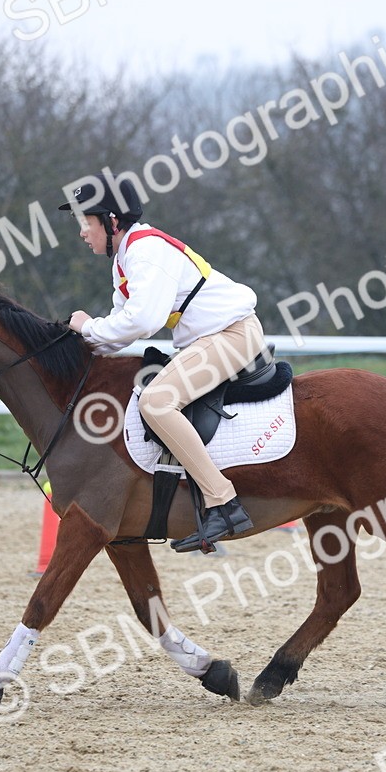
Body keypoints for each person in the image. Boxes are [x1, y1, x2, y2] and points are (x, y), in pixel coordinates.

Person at [60, 175, 268, 552]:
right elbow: (123, 328)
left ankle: (224, 503)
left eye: (85, 222)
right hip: (212, 338)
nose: (81, 233)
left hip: (231, 335)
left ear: (111, 221)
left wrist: (88, 326)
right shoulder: (125, 258)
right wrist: (80, 339)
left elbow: (143, 321)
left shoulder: (145, 251)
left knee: (156, 402)